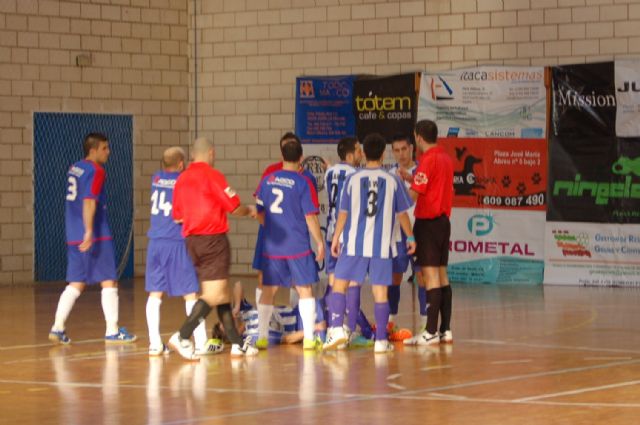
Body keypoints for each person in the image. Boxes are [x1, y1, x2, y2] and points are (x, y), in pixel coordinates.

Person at [323, 133, 416, 354]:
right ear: (384, 154)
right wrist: (410, 237)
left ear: (364, 153)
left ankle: (336, 329)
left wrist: (335, 239)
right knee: (380, 292)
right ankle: (382, 341)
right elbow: (402, 213)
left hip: (354, 243)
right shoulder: (392, 180)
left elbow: (343, 214)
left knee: (340, 285)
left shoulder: (353, 179)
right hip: (381, 245)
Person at [168, 137, 258, 360]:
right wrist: (250, 210)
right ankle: (181, 336)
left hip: (193, 242)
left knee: (221, 293)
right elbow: (234, 206)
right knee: (214, 294)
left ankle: (237, 344)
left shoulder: (181, 180)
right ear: (210, 153)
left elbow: (178, 217)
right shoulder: (213, 175)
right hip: (213, 241)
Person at [49, 132, 136, 344]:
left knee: (76, 283)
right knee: (109, 280)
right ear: (93, 150)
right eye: (105, 148)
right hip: (96, 235)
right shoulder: (96, 171)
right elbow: (89, 202)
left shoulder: (74, 168)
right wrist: (89, 230)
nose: (109, 152)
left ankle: (58, 327)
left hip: (73, 234)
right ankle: (112, 330)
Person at [145, 147, 223, 357]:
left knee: (155, 293)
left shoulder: (156, 178)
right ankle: (200, 342)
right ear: (181, 164)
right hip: (176, 241)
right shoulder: (184, 181)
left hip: (155, 242)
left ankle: (154, 344)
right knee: (191, 293)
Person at [254, 137, 325, 350]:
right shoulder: (303, 182)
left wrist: (272, 228)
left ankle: (262, 336)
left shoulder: (268, 179)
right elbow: (310, 217)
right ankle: (310, 338)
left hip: (273, 246)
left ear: (282, 156)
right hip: (297, 246)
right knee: (305, 290)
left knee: (268, 290)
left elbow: (258, 212)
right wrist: (319, 242)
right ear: (301, 157)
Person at [252, 132, 318, 309]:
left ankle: (294, 316)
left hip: (291, 236)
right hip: (272, 234)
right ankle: (265, 321)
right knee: (265, 278)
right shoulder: (270, 171)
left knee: (297, 282)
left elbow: (258, 206)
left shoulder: (307, 178)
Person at [404, 120, 454, 346]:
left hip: (428, 223)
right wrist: (409, 178)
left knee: (430, 277)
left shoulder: (427, 159)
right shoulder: (445, 157)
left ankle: (430, 331)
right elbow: (431, 184)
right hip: (443, 222)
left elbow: (413, 196)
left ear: (418, 137)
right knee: (442, 276)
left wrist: (394, 202)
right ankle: (445, 330)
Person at [323, 137, 372, 347]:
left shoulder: (329, 173)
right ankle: (351, 330)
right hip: (348, 236)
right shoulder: (357, 175)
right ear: (351, 154)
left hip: (331, 234)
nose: (361, 154)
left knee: (334, 285)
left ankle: (333, 329)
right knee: (352, 284)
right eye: (359, 151)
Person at [387, 135, 424, 342]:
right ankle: (390, 322)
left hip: (419, 229)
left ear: (411, 148)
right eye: (397, 150)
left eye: (404, 149)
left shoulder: (421, 172)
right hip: (397, 232)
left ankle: (425, 322)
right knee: (395, 278)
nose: (401, 154)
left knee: (422, 278)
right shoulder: (389, 175)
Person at [211, 281, 327, 346]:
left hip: (298, 308)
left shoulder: (242, 313)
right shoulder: (252, 337)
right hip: (302, 325)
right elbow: (287, 339)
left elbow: (238, 285)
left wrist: (236, 306)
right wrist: (314, 328)